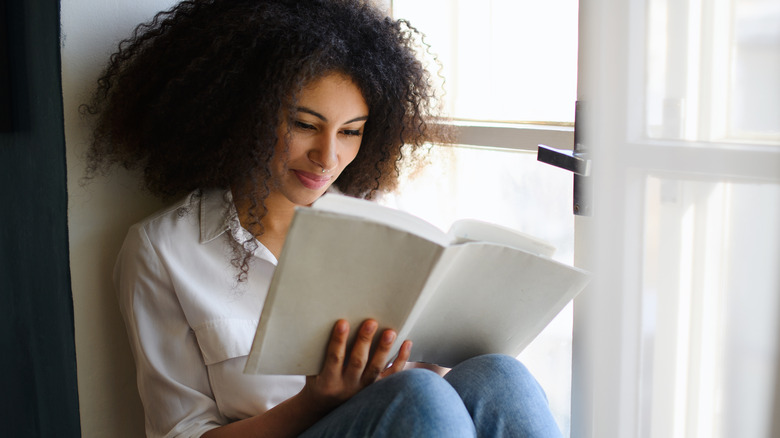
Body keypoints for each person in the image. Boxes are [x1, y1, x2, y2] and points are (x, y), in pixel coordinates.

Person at [84, 0, 563, 437]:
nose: (327, 156)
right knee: (421, 400)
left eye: (351, 132)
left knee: (500, 375)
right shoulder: (164, 250)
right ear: (245, 112)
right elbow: (180, 433)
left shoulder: (383, 230)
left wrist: (430, 355)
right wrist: (313, 403)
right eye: (304, 125)